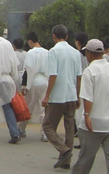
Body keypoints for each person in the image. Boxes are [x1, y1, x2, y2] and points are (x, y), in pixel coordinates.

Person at [72, 39, 109, 174]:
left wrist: (87, 115)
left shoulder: (89, 71)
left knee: (86, 158)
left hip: (94, 123)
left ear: (89, 54)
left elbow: (87, 97)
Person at [42, 25, 82, 170]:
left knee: (47, 125)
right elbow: (79, 76)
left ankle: (64, 150)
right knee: (69, 127)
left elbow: (53, 75)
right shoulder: (75, 53)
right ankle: (66, 160)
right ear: (66, 36)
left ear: (54, 36)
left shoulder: (54, 52)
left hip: (58, 95)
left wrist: (47, 95)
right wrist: (78, 95)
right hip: (71, 94)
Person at [19, 32, 49, 142]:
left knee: (28, 106)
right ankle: (44, 133)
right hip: (44, 81)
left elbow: (28, 70)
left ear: (30, 41)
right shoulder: (47, 52)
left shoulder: (30, 53)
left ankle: (21, 129)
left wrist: (26, 86)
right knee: (43, 108)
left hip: (34, 81)